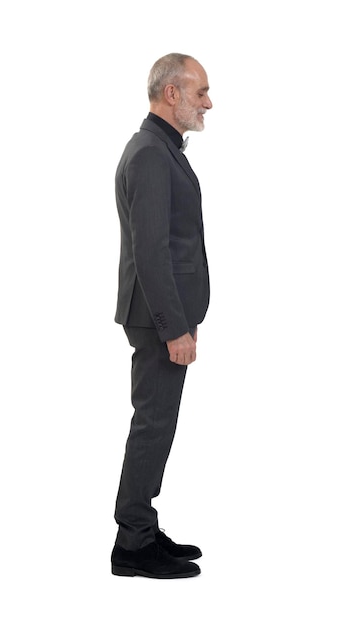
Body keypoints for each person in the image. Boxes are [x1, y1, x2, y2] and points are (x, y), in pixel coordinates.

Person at [111, 52, 213, 579]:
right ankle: (132, 543)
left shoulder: (161, 147)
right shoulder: (152, 153)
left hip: (163, 315)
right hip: (158, 320)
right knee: (153, 426)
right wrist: (174, 327)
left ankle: (142, 526)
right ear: (171, 93)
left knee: (158, 424)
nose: (208, 102)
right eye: (200, 92)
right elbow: (152, 251)